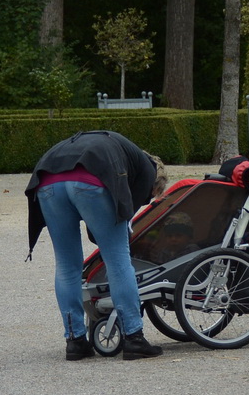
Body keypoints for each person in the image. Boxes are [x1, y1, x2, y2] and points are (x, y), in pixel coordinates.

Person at [24, 130, 164, 361]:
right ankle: (134, 338)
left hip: (47, 181)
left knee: (67, 267)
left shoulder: (117, 146)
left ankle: (75, 341)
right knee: (118, 260)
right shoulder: (148, 171)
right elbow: (126, 220)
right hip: (89, 180)